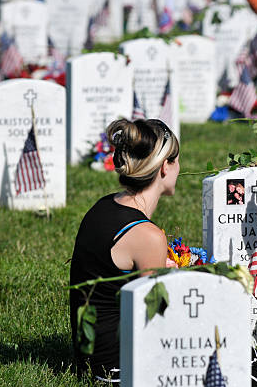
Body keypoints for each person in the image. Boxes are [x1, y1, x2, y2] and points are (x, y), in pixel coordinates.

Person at [69, 118, 179, 384]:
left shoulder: (104, 205)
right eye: (176, 160)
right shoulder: (147, 236)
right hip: (117, 368)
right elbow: (156, 320)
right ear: (165, 167)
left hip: (88, 356)